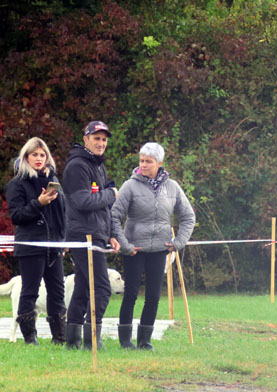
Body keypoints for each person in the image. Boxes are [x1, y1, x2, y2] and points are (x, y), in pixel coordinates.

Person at [111, 142, 195, 350]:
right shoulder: (129, 186)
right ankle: (125, 341)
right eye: (141, 161)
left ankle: (144, 341)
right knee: (130, 294)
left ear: (160, 163)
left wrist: (178, 243)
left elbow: (188, 216)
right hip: (134, 250)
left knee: (153, 296)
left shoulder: (173, 187)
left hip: (159, 250)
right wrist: (124, 245)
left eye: (148, 161)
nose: (144, 165)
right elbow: (114, 216)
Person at [63, 120, 120, 350]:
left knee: (84, 287)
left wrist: (113, 234)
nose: (101, 143)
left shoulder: (97, 165)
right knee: (103, 288)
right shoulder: (77, 166)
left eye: (104, 139)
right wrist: (111, 194)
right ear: (85, 139)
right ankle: (92, 340)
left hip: (96, 235)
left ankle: (72, 340)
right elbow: (83, 201)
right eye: (96, 138)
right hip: (82, 235)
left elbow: (105, 207)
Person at [5, 137, 67, 345]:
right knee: (30, 291)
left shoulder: (54, 182)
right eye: (34, 155)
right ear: (26, 157)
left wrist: (62, 241)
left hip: (54, 246)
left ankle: (60, 337)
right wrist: (38, 203)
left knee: (58, 291)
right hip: (31, 245)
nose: (39, 159)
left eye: (42, 155)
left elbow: (62, 216)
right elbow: (17, 216)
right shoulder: (16, 184)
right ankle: (30, 338)